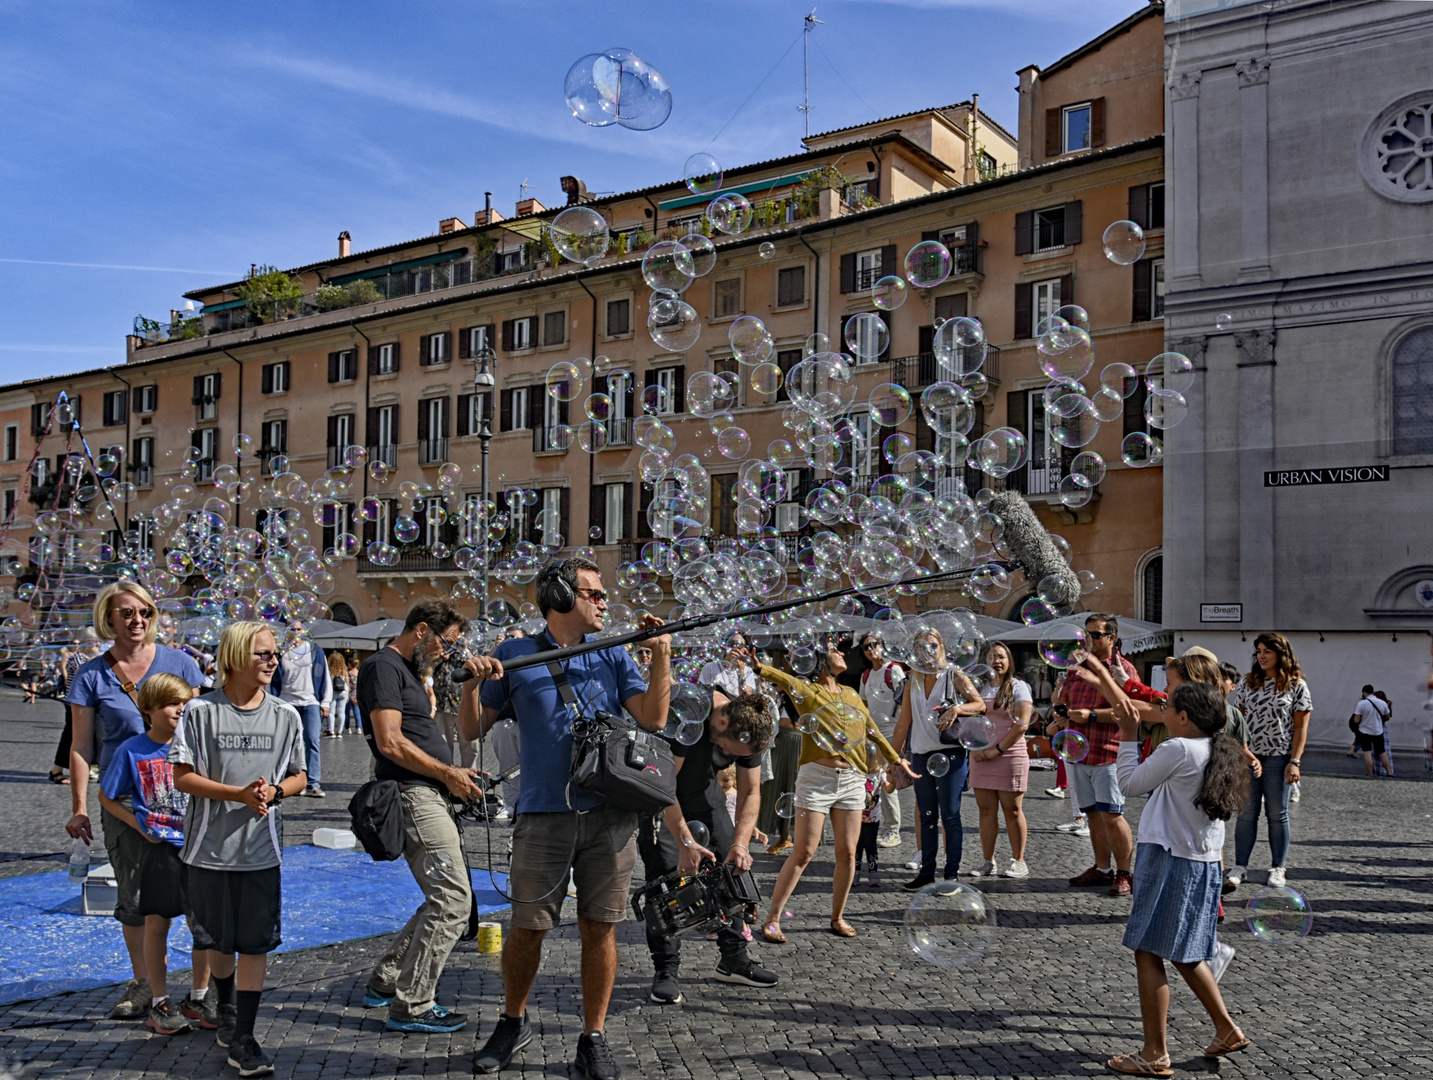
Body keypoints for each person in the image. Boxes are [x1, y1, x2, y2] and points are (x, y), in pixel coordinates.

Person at [474, 557, 671, 1080]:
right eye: (595, 594)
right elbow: (473, 727)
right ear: (561, 596)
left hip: (610, 814)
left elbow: (652, 719)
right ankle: (512, 1023)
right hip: (542, 814)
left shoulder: (611, 654)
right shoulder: (514, 655)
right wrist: (471, 681)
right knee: (527, 929)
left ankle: (593, 1037)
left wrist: (660, 659)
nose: (606, 602)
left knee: (600, 930)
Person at [170, 620, 308, 1078]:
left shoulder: (286, 715)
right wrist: (238, 794)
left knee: (254, 943)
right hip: (206, 851)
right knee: (217, 942)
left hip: (261, 852)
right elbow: (182, 778)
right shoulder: (199, 712)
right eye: (263, 654)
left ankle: (244, 1036)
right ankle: (224, 1006)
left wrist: (277, 793)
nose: (273, 661)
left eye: (275, 654)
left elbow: (299, 775)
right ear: (233, 658)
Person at [358, 598, 502, 1034]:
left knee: (444, 897)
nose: (448, 651)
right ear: (422, 630)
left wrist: (455, 773)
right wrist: (447, 773)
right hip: (413, 794)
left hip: (430, 791)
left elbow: (425, 735)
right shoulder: (383, 667)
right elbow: (390, 742)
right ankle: (412, 1004)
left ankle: (386, 981)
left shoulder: (410, 672)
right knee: (454, 902)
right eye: (446, 642)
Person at [65, 580, 204, 1021]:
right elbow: (82, 747)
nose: (137, 620)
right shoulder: (91, 674)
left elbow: (199, 733)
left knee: (197, 890)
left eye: (144, 611)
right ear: (108, 618)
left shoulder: (180, 662)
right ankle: (144, 984)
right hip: (125, 798)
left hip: (180, 792)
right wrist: (80, 807)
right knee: (134, 893)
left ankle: (203, 990)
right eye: (126, 613)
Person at [1105, 682, 1251, 1077]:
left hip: (1169, 858)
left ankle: (1154, 1053)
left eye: (1167, 707)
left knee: (1148, 950)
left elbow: (1130, 784)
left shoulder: (1179, 748)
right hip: (1202, 863)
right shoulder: (1219, 750)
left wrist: (1130, 736)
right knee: (1186, 952)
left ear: (1184, 717)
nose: (1163, 712)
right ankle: (1226, 1029)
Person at [755, 637, 915, 940]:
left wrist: (897, 760)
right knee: (804, 851)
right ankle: (773, 918)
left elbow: (874, 732)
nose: (842, 653)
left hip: (852, 780)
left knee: (846, 852)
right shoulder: (809, 693)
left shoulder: (852, 694)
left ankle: (837, 917)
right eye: (835, 651)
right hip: (816, 778)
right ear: (820, 662)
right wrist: (758, 667)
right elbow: (786, 679)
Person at [639, 688, 778, 1006]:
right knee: (664, 883)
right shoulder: (686, 710)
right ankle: (666, 970)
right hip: (659, 797)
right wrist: (686, 841)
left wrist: (740, 844)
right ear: (722, 722)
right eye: (732, 750)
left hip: (704, 797)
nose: (732, 757)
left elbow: (751, 790)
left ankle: (734, 960)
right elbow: (662, 784)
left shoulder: (749, 722)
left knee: (730, 875)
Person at [99, 672, 214, 1036]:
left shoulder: (198, 746)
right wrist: (139, 826)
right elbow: (107, 796)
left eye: (183, 703)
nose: (179, 710)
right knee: (157, 925)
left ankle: (199, 996)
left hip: (196, 846)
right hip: (158, 850)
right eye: (170, 704)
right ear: (148, 709)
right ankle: (160, 1001)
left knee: (204, 927)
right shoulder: (132, 750)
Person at [1048, 613, 1139, 898]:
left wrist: (1091, 716)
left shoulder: (1123, 669)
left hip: (1108, 752)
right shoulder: (1076, 669)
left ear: (1112, 638)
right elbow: (1063, 702)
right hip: (1078, 751)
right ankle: (1102, 869)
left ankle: (1124, 872)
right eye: (1086, 635)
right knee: (1093, 816)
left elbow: (1132, 711)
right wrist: (1061, 712)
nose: (1089, 640)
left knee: (1112, 815)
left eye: (1096, 635)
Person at [888, 628, 984, 891]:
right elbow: (903, 723)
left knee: (950, 815)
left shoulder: (953, 675)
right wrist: (892, 758)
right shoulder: (912, 681)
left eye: (932, 645)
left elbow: (980, 704)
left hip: (951, 754)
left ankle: (951, 875)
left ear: (942, 647)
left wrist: (957, 708)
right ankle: (927, 872)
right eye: (921, 646)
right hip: (920, 755)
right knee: (927, 815)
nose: (927, 651)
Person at [1226, 632, 1311, 890]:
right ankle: (1240, 866)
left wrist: (1294, 761)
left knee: (1277, 814)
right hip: (1249, 756)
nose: (1261, 656)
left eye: (1267, 651)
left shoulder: (1296, 686)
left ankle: (1277, 867)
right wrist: (1241, 753)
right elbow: (1236, 720)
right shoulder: (1249, 683)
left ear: (1280, 655)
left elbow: (1300, 728)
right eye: (1259, 651)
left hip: (1279, 757)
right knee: (1246, 813)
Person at [968, 642, 1033, 879]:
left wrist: (997, 750)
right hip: (980, 755)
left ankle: (1019, 860)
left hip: (1010, 754)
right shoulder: (978, 688)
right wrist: (973, 746)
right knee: (986, 810)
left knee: (1012, 809)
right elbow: (969, 720)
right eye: (992, 656)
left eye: (1001, 657)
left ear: (1009, 661)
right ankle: (988, 860)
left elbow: (1021, 725)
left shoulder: (1019, 687)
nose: (997, 661)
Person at [271, 621, 331, 798]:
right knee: (286, 744)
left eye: (299, 629)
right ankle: (289, 781)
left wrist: (325, 702)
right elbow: (272, 679)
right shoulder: (281, 651)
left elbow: (325, 676)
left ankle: (313, 782)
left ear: (305, 630)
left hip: (310, 702)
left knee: (312, 741)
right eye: (292, 629)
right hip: (286, 702)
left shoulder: (314, 650)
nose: (296, 632)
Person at [857, 634, 906, 848]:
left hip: (891, 732)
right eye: (866, 646)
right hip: (873, 735)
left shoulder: (893, 670)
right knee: (875, 782)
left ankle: (893, 830)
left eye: (875, 644)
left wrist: (901, 739)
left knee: (888, 781)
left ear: (883, 645)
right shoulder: (866, 675)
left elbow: (905, 703)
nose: (871, 649)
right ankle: (881, 825)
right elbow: (864, 706)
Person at [432, 648, 478, 768]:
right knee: (443, 745)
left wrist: (464, 649)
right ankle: (446, 774)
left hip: (464, 704)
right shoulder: (437, 650)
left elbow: (475, 665)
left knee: (470, 745)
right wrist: (439, 656)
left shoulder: (464, 653)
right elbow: (425, 670)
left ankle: (471, 775)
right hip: (442, 705)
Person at [854, 767, 895, 887]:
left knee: (870, 844)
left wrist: (892, 781)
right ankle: (855, 872)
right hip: (855, 816)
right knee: (857, 845)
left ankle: (873, 873)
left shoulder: (879, 773)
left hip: (872, 817)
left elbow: (888, 789)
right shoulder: (855, 771)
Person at [1354, 684, 1393, 779]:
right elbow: (1387, 717)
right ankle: (1389, 772)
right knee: (1382, 752)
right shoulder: (1382, 703)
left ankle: (1370, 773)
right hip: (1378, 731)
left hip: (1365, 731)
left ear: (1364, 692)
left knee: (1367, 752)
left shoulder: (1361, 704)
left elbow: (1356, 720)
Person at [324, 652, 349, 737]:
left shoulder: (329, 668)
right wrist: (348, 694)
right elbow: (347, 681)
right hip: (343, 691)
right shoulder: (344, 668)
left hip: (333, 691)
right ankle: (340, 732)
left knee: (331, 712)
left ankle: (331, 731)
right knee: (341, 712)